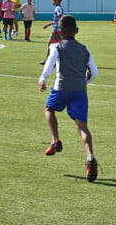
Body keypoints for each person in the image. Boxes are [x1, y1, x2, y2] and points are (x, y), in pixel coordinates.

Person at [38, 14, 99, 183]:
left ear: (59, 32)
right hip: (80, 91)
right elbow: (94, 72)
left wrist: (43, 79)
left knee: (49, 109)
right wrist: (84, 82)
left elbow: (49, 64)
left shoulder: (56, 47)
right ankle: (90, 156)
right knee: (82, 127)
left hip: (61, 88)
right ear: (77, 30)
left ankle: (55, 140)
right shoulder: (85, 49)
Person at [39, 0, 64, 64]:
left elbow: (60, 17)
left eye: (53, 0)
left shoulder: (58, 8)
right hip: (59, 30)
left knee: (50, 44)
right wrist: (48, 25)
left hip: (56, 30)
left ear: (57, 1)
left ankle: (47, 60)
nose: (52, 2)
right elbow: (57, 20)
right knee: (60, 45)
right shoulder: (59, 8)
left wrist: (58, 28)